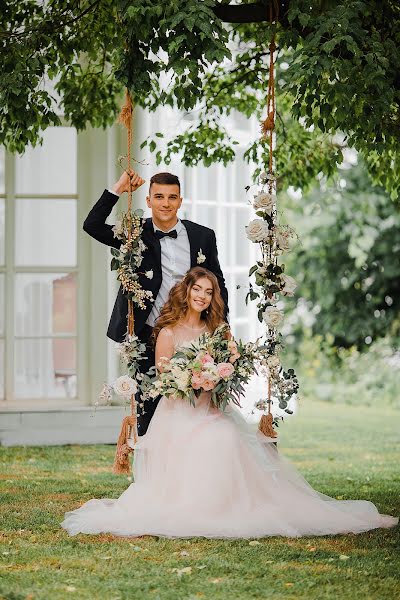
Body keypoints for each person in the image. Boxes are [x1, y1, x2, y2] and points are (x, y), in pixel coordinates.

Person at [61, 267, 398, 539]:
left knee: (224, 436)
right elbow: (163, 379)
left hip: (211, 409)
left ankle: (227, 506)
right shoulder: (167, 332)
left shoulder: (219, 329)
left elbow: (232, 367)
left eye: (208, 292)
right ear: (186, 291)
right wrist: (189, 377)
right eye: (197, 290)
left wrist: (215, 377)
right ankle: (192, 508)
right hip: (177, 412)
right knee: (207, 440)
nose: (202, 296)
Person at [83, 171, 229, 435]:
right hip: (146, 332)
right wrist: (118, 188)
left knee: (193, 408)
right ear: (148, 201)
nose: (165, 203)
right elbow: (92, 225)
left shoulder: (202, 236)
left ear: (180, 201)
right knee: (149, 407)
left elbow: (217, 283)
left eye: (172, 197)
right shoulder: (134, 232)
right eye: (159, 197)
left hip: (190, 335)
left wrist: (221, 328)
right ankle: (151, 472)